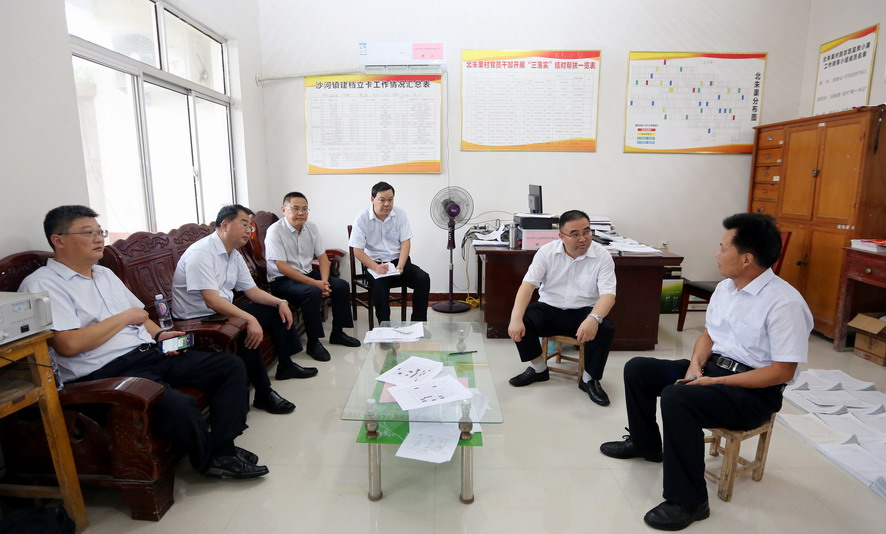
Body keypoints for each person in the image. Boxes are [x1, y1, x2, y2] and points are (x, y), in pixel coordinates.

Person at [19, 205, 267, 479]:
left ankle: (224, 449)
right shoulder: (43, 284)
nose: (99, 239)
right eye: (88, 233)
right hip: (107, 371)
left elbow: (141, 316)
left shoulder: (103, 274)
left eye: (100, 232)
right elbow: (69, 345)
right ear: (59, 240)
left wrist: (160, 335)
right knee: (180, 406)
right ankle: (210, 460)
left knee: (230, 366)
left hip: (149, 352)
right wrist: (125, 318)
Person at [600, 213, 812, 531]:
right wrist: (695, 366)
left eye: (723, 247)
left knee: (677, 398)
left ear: (746, 259)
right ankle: (646, 444)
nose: (717, 253)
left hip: (754, 393)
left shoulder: (785, 304)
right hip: (714, 371)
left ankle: (690, 500)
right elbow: (709, 335)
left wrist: (717, 381)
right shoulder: (727, 288)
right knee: (638, 369)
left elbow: (781, 372)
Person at [172, 204, 314, 416]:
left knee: (275, 310)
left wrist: (280, 302)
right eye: (244, 224)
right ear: (225, 225)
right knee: (245, 328)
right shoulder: (202, 253)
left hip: (221, 313)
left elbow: (252, 291)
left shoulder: (233, 254)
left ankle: (286, 365)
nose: (249, 231)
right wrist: (249, 319)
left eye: (251, 226)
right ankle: (264, 393)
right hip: (197, 321)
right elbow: (212, 301)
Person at [507, 209, 616, 406]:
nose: (583, 238)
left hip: (583, 312)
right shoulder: (547, 252)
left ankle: (589, 379)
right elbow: (527, 286)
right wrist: (515, 319)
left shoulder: (602, 256)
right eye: (575, 234)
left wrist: (593, 319)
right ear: (561, 236)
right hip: (550, 309)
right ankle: (539, 369)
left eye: (587, 231)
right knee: (522, 318)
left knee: (605, 328)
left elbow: (608, 295)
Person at [264, 192, 361, 361]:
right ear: (284, 210)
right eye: (295, 208)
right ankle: (313, 342)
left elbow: (323, 258)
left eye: (304, 209)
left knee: (341, 286)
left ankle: (338, 333)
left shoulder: (311, 228)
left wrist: (324, 281)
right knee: (312, 291)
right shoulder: (275, 231)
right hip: (282, 280)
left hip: (307, 273)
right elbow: (282, 267)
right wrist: (316, 284)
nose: (301, 213)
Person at [349, 181, 430, 324]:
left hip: (399, 262)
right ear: (372, 199)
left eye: (390, 200)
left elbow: (405, 242)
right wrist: (376, 267)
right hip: (375, 264)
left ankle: (418, 323)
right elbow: (357, 250)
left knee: (423, 278)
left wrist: (401, 265)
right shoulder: (362, 218)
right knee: (380, 286)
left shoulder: (400, 214)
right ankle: (385, 326)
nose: (387, 204)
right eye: (382, 200)